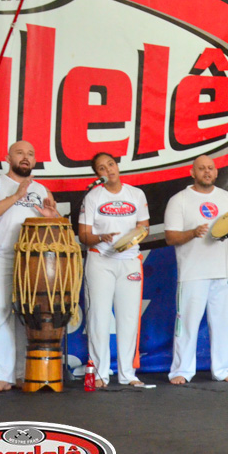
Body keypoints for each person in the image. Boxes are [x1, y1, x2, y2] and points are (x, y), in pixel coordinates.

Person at [0, 141, 59, 393]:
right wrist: (16, 196)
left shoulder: (41, 189)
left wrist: (51, 218)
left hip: (32, 259)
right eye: (20, 153)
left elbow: (56, 228)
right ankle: (3, 376)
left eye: (30, 154)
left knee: (29, 314)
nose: (26, 157)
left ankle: (25, 374)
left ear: (35, 161)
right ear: (8, 158)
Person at [165, 155, 228, 384]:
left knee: (222, 325)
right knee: (187, 325)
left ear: (216, 172)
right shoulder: (179, 200)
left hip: (222, 272)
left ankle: (223, 370)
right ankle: (181, 371)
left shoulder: (227, 198)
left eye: (210, 168)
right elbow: (170, 237)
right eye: (201, 168)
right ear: (192, 172)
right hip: (192, 273)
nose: (207, 172)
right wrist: (193, 233)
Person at [77, 152, 150, 388]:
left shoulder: (136, 194)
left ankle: (128, 374)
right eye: (102, 168)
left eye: (110, 164)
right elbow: (84, 235)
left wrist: (129, 240)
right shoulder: (93, 197)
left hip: (129, 261)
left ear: (117, 166)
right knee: (98, 317)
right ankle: (100, 374)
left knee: (128, 318)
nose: (108, 169)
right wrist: (101, 237)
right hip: (101, 260)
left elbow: (144, 226)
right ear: (97, 174)